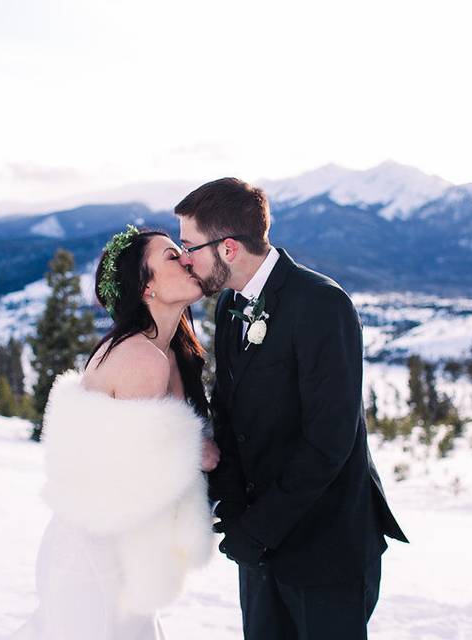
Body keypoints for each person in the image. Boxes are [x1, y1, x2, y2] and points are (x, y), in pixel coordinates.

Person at [176, 178, 408, 640]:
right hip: (260, 550)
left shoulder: (322, 304)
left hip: (326, 549)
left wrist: (258, 529)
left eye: (188, 246)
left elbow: (329, 441)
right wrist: (233, 507)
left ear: (227, 249)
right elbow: (230, 413)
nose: (184, 260)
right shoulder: (228, 306)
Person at [12, 226, 220, 640]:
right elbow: (134, 473)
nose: (187, 259)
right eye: (171, 257)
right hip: (100, 551)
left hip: (112, 539)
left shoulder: (166, 350)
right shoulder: (142, 357)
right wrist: (199, 453)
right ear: (147, 288)